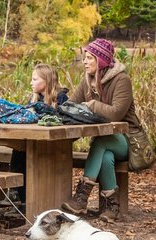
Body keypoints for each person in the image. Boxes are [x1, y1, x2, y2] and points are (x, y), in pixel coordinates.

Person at [61, 38, 141, 222]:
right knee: (105, 155)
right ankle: (112, 208)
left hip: (128, 140)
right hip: (107, 144)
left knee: (101, 141)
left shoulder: (122, 80)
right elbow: (70, 106)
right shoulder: (87, 81)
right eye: (84, 58)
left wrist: (91, 105)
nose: (84, 62)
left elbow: (115, 114)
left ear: (101, 60)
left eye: (89, 58)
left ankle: (81, 198)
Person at [5, 63, 69, 216]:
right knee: (20, 151)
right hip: (33, 143)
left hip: (56, 145)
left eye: (34, 79)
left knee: (24, 154)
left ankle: (26, 199)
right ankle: (19, 197)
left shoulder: (61, 98)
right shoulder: (34, 98)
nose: (31, 82)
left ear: (46, 81)